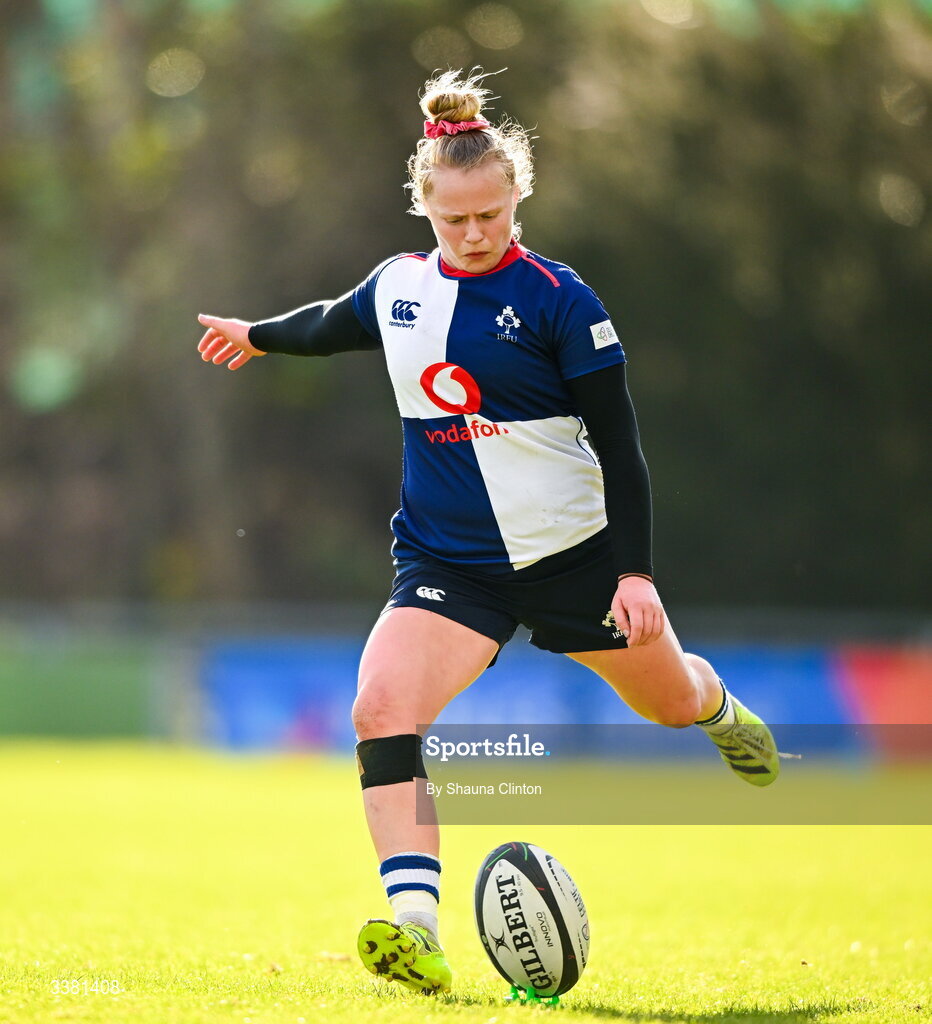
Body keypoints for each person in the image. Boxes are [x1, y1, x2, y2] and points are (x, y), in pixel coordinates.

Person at [195, 70, 780, 995]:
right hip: (448, 566)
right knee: (380, 708)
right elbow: (332, 324)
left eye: (490, 216)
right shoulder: (398, 290)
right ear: (425, 206)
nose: (472, 235)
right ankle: (415, 928)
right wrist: (258, 334)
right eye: (453, 219)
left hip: (576, 561)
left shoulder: (560, 300)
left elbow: (622, 452)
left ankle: (720, 709)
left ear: (517, 198)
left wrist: (637, 578)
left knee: (668, 704)